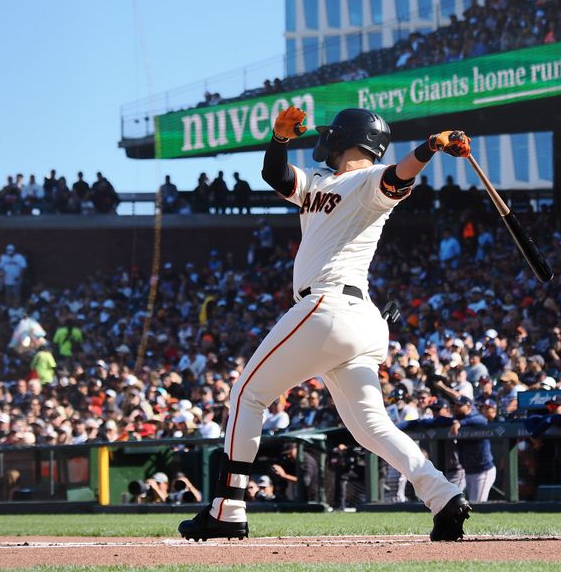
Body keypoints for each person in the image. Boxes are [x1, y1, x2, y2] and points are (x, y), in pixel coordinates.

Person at [179, 106, 473, 542]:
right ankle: (443, 495)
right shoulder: (318, 182)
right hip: (359, 318)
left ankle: (228, 507)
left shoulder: (369, 179)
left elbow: (399, 176)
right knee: (370, 426)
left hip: (328, 307)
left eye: (332, 134)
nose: (325, 140)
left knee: (246, 393)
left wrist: (431, 145)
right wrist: (279, 139)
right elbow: (276, 176)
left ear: (347, 138)